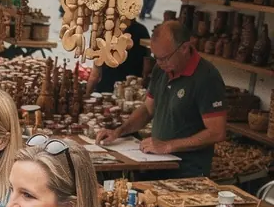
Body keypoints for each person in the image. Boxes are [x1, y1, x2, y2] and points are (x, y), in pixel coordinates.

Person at [97, 19, 226, 178]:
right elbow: (147, 109)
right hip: (157, 164)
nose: (159, 63)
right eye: (156, 57)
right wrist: (119, 131)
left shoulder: (207, 77)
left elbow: (217, 132)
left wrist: (168, 146)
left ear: (185, 48)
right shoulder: (161, 69)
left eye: (164, 58)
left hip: (187, 172)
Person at [87, 17, 149, 94]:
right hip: (129, 89)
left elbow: (95, 74)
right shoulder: (141, 30)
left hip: (115, 89)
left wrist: (87, 94)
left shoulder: (105, 30)